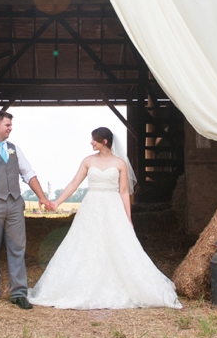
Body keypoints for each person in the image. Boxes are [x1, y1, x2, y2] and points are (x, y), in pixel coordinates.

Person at [28, 127, 182, 310]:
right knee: (86, 244)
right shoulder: (88, 161)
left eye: (94, 139)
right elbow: (73, 184)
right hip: (91, 206)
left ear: (104, 141)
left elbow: (124, 192)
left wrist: (128, 218)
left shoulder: (120, 164)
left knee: (117, 244)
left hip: (112, 206)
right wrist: (56, 203)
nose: (91, 142)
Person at [0, 110, 54, 310]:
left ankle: (19, 293)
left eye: (10, 125)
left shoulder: (14, 149)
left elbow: (28, 173)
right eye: (7, 125)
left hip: (15, 204)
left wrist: (42, 196)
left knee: (17, 248)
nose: (10, 129)